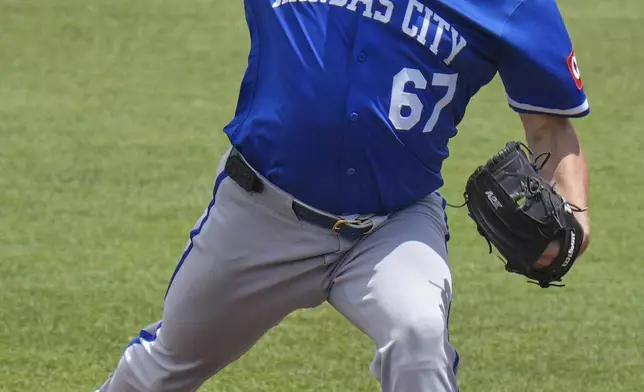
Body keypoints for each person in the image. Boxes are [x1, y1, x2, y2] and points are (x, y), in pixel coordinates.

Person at [95, 0, 591, 391]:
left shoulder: (513, 4)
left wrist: (575, 215)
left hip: (393, 226)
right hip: (259, 215)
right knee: (164, 368)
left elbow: (550, 126)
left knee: (417, 336)